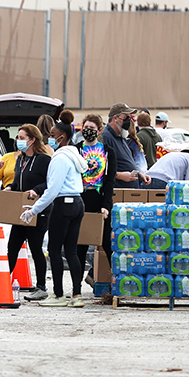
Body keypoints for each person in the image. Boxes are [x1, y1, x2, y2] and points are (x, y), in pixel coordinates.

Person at [19, 120, 87, 307]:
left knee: (55, 250)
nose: (49, 138)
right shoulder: (74, 155)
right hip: (77, 202)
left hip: (63, 205)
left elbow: (52, 190)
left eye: (52, 134)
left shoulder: (59, 158)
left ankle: (58, 294)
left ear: (61, 137)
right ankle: (77, 295)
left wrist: (34, 210)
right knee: (71, 250)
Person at [2, 124, 51, 302]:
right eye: (18, 138)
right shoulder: (21, 160)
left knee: (36, 247)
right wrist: (10, 187)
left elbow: (50, 182)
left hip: (38, 208)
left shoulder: (44, 160)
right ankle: (2, 280)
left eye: (22, 138)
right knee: (13, 246)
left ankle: (41, 286)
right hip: (21, 208)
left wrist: (37, 190)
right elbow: (17, 181)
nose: (18, 141)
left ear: (32, 140)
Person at [76, 114, 116, 289]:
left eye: (92, 128)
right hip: (81, 199)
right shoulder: (76, 150)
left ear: (99, 130)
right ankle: (76, 287)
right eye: (86, 128)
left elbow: (110, 180)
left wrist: (106, 205)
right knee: (80, 246)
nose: (88, 131)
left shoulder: (107, 151)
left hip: (100, 199)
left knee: (107, 243)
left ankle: (117, 283)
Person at [103, 102, 150, 188]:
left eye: (129, 117)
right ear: (115, 118)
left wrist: (139, 174)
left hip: (130, 190)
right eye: (126, 117)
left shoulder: (121, 137)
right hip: (118, 190)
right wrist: (119, 175)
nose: (129, 121)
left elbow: (125, 162)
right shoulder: (106, 137)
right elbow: (100, 169)